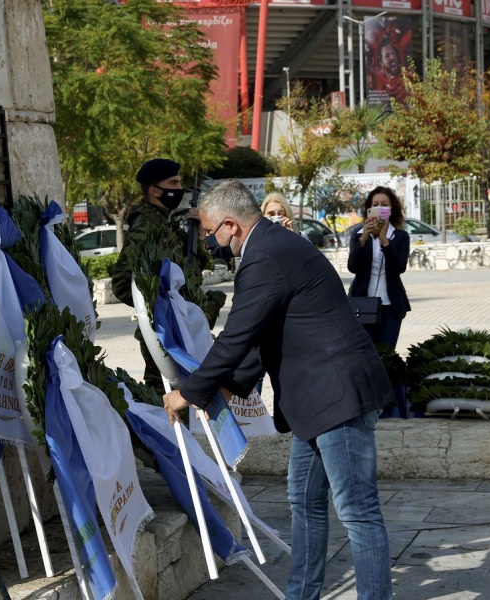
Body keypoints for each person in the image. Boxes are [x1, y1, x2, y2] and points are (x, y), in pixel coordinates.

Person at [163, 179, 394, 600]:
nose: (211, 244)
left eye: (212, 232)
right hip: (317, 401)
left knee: (358, 512)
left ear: (231, 225)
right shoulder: (270, 246)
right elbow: (261, 336)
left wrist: (190, 391)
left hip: (336, 396)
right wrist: (228, 389)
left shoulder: (264, 254)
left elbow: (237, 335)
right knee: (304, 502)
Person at [112, 158, 225, 394]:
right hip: (165, 331)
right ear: (154, 190)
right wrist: (159, 310)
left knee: (186, 393)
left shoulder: (167, 224)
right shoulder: (146, 224)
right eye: (172, 182)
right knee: (166, 396)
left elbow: (192, 270)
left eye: (179, 182)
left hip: (184, 326)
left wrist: (200, 237)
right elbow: (122, 282)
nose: (178, 188)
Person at [347, 185, 410, 350]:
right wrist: (363, 240)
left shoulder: (401, 236)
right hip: (363, 304)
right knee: (366, 354)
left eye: (384, 204)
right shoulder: (358, 233)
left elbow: (399, 267)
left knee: (386, 354)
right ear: (369, 208)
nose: (379, 208)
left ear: (391, 208)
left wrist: (385, 242)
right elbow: (353, 267)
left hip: (391, 306)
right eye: (375, 204)